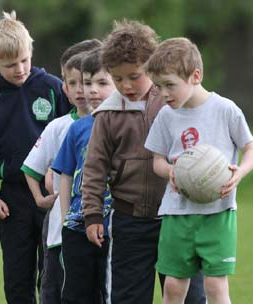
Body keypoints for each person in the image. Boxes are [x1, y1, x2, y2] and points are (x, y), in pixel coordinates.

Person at [81, 20, 206, 304]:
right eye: (117, 78)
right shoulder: (108, 113)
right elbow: (95, 168)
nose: (126, 86)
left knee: (191, 298)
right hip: (129, 222)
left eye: (134, 76)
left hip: (179, 219)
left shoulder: (175, 103)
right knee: (128, 298)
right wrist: (92, 214)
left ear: (152, 66)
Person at [0, 11, 72, 303]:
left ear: (31, 51)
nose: (20, 69)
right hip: (12, 201)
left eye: (24, 60)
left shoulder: (52, 87)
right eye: (10, 65)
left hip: (53, 195)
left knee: (52, 276)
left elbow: (72, 133)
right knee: (17, 280)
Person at [144, 37, 253, 304]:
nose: (164, 93)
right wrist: (171, 171)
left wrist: (239, 172)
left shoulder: (225, 109)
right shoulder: (166, 116)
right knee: (172, 285)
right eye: (159, 86)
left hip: (218, 213)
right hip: (177, 212)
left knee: (215, 285)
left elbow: (252, 150)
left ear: (195, 76)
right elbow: (157, 161)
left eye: (170, 85)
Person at [21, 46, 99, 304]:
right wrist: (39, 198)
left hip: (99, 228)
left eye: (85, 83)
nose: (80, 90)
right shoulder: (59, 126)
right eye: (72, 83)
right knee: (54, 289)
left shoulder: (110, 124)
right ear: (64, 88)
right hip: (59, 230)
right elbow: (32, 167)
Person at [51, 48, 115, 303]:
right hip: (77, 226)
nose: (92, 90)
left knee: (107, 290)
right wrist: (66, 217)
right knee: (76, 293)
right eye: (88, 83)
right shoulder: (78, 128)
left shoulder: (123, 126)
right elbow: (65, 174)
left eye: (102, 83)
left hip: (113, 226)